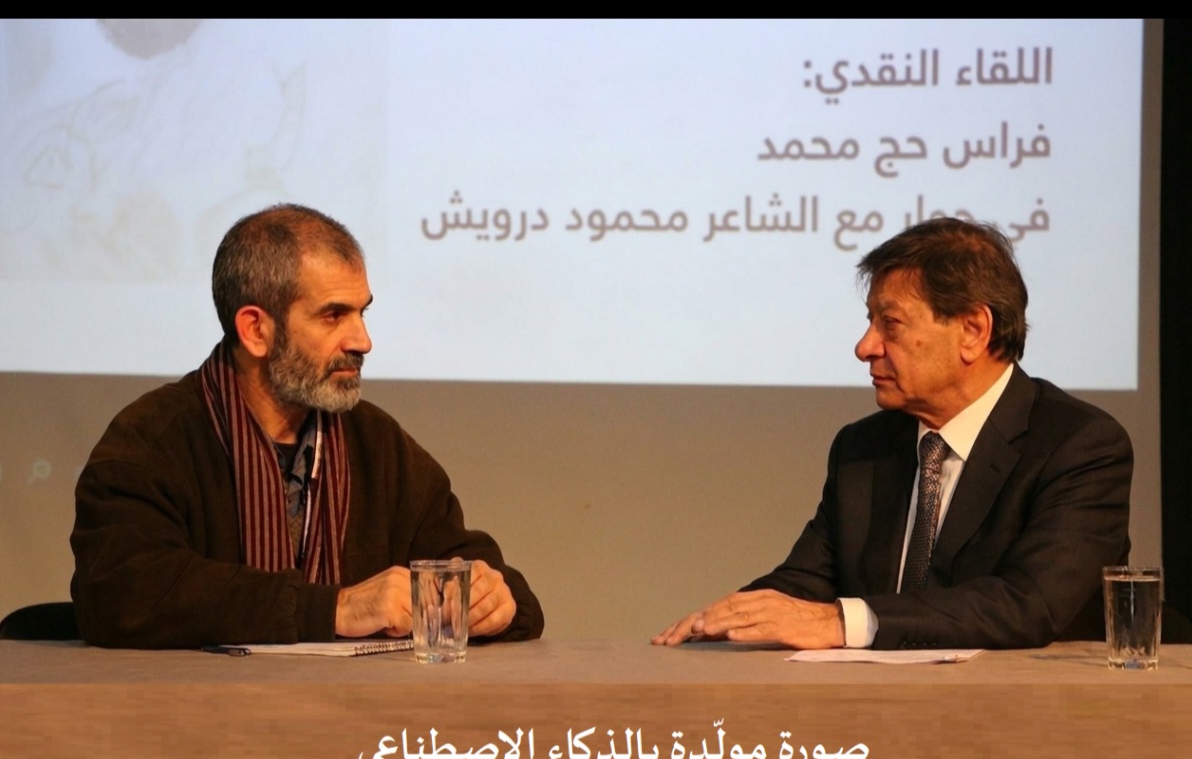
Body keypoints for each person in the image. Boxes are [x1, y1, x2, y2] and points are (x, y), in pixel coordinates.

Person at [71, 204, 544, 648]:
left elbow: (495, 583)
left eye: (362, 312)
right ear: (256, 329)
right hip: (194, 706)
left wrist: (495, 600)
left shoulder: (377, 445)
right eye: (333, 315)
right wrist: (333, 609)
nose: (363, 341)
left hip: (349, 708)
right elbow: (120, 593)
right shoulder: (152, 441)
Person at [654, 218, 1131, 650]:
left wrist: (845, 622)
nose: (865, 347)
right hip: (874, 707)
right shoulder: (863, 448)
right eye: (870, 321)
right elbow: (806, 585)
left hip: (1024, 708)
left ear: (972, 330)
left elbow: (1027, 605)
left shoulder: (1078, 446)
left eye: (891, 324)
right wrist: (725, 622)